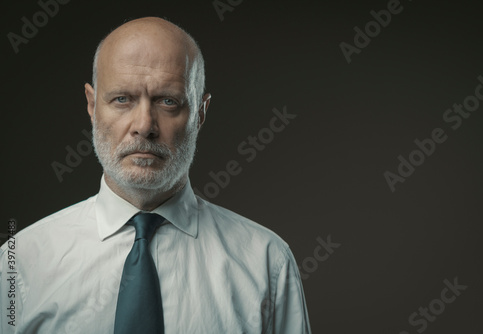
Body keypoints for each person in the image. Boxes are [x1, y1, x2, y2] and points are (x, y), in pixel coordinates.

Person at [0, 17, 311, 333]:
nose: (144, 125)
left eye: (168, 101)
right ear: (93, 106)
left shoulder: (266, 263)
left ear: (200, 113)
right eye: (122, 99)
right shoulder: (20, 264)